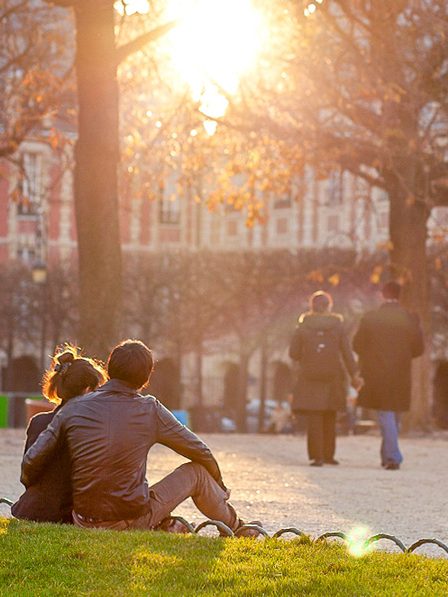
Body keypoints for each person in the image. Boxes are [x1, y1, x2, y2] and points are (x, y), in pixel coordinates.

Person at [20, 340, 260, 535]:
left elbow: (31, 462)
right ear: (145, 378)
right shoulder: (149, 409)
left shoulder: (75, 407)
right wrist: (219, 485)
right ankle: (238, 527)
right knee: (196, 472)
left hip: (82, 518)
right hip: (127, 520)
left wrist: (30, 485)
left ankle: (169, 524)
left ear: (110, 369)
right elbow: (200, 451)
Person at [12, 346, 107, 522]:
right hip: (65, 516)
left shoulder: (38, 422)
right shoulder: (90, 430)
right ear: (87, 390)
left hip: (30, 510)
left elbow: (28, 476)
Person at [353, 281, 424, 470]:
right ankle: (390, 456)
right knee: (394, 415)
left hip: (377, 372)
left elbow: (357, 345)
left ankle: (391, 457)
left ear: (381, 295)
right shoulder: (410, 318)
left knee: (386, 414)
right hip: (401, 372)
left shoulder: (371, 318)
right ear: (399, 296)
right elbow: (419, 348)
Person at [289, 291, 361, 467]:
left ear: (311, 306)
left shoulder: (303, 326)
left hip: (309, 376)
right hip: (333, 376)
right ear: (329, 306)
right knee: (330, 414)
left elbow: (294, 353)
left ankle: (316, 456)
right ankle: (329, 455)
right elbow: (346, 353)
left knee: (315, 415)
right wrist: (354, 374)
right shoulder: (337, 326)